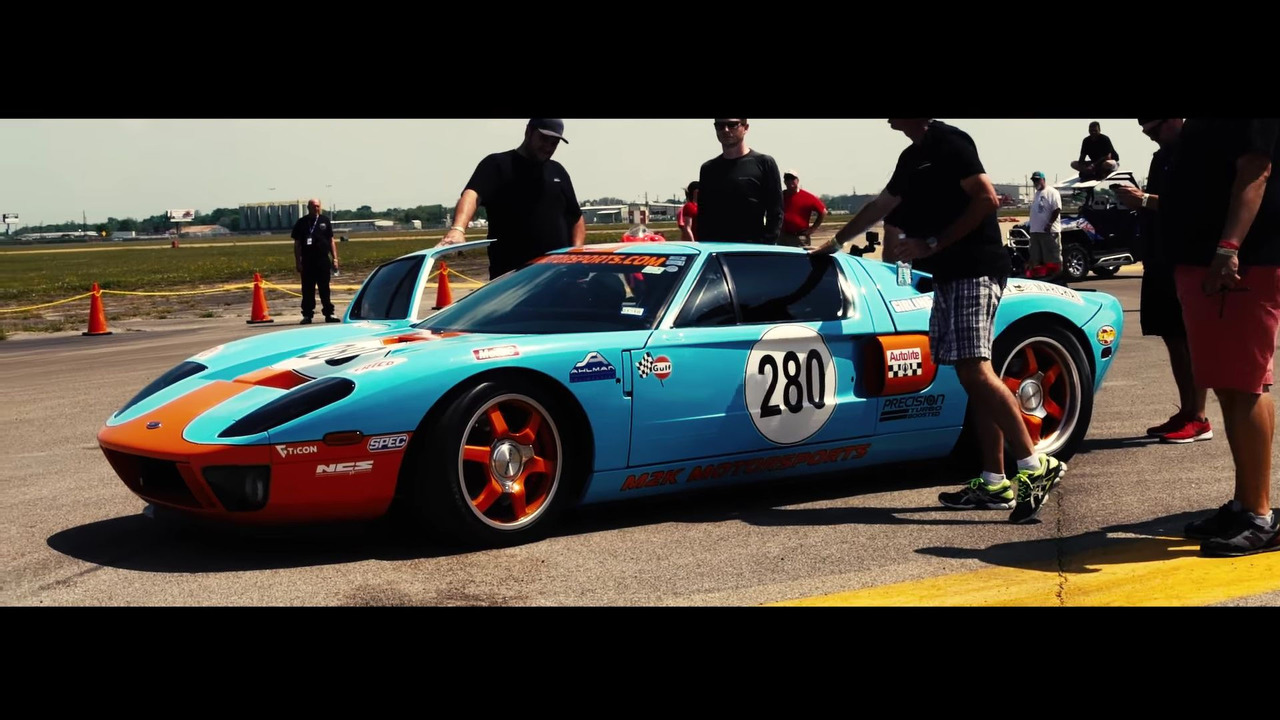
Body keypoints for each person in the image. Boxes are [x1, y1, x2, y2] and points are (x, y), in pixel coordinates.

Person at [816, 119, 1063, 524]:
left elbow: (986, 199)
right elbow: (882, 205)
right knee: (971, 375)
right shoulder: (913, 156)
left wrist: (931, 243)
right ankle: (994, 479)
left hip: (975, 270)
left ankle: (1035, 466)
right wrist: (838, 242)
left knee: (976, 370)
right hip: (949, 274)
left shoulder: (950, 141)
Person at [1160, 118, 1280, 556]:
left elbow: (1255, 170)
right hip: (1205, 261)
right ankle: (1245, 503)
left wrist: (1228, 248)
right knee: (1234, 386)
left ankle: (1260, 517)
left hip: (1235, 264)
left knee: (1243, 386)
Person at [1113, 118, 1212, 445]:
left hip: (1186, 258)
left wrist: (1143, 200)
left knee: (1192, 339)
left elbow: (1196, 205)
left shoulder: (1198, 149)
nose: (1149, 134)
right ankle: (1187, 411)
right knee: (1173, 336)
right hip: (1160, 258)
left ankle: (1198, 417)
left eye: (1154, 129)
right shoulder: (1162, 156)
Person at [438, 118, 585, 278]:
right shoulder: (497, 165)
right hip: (511, 279)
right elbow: (472, 195)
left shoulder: (558, 171)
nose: (548, 147)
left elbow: (576, 219)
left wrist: (575, 255)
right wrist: (458, 229)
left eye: (554, 143)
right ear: (528, 131)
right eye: (544, 139)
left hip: (555, 276)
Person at [696, 119, 783, 244]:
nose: (726, 130)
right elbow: (704, 216)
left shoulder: (764, 163)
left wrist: (765, 246)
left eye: (732, 125)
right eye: (720, 126)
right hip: (716, 250)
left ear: (745, 128)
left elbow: (776, 211)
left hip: (751, 249)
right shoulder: (708, 169)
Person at [290, 198, 340, 324]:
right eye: (313, 207)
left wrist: (335, 258)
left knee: (325, 288)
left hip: (323, 260)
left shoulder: (324, 220)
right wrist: (298, 262)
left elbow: (331, 240)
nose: (316, 209)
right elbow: (297, 244)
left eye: (317, 206)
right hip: (307, 262)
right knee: (307, 289)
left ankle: (329, 313)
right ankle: (307, 315)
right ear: (308, 208)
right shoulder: (302, 222)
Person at [1026, 171, 1063, 280]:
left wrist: (1050, 223)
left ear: (1043, 179)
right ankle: (1040, 277)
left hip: (1049, 232)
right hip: (1035, 231)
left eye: (1037, 179)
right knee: (1036, 258)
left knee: (1051, 257)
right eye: (1034, 180)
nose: (1035, 182)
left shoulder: (1052, 192)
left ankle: (1056, 278)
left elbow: (1057, 209)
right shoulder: (1037, 193)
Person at [780, 169, 828, 247]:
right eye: (787, 179)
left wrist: (813, 229)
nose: (789, 181)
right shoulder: (780, 196)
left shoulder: (807, 197)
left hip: (800, 237)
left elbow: (823, 211)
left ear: (797, 181)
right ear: (784, 182)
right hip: (782, 236)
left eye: (792, 178)